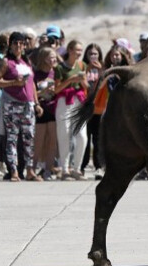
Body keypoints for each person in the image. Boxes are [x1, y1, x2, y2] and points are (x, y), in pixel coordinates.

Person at [0, 31, 42, 182]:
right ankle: (13, 170)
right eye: (16, 43)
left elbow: (32, 83)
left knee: (29, 138)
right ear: (10, 44)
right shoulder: (6, 62)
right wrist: (13, 83)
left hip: (28, 105)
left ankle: (29, 170)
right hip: (11, 103)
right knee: (12, 138)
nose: (19, 46)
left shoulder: (27, 62)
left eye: (21, 43)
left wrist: (37, 102)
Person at [54, 40, 88, 180]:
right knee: (64, 134)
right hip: (64, 101)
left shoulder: (82, 65)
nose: (79, 53)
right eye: (76, 50)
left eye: (80, 50)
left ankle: (77, 168)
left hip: (79, 101)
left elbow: (86, 86)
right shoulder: (60, 68)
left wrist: (81, 80)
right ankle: (64, 169)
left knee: (82, 136)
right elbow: (56, 90)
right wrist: (70, 80)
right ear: (69, 50)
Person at [32, 47, 59, 180]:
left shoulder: (56, 73)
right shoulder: (35, 74)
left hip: (53, 108)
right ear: (43, 58)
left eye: (54, 57)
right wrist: (42, 92)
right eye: (50, 57)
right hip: (40, 109)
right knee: (39, 141)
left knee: (52, 141)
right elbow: (31, 94)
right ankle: (32, 168)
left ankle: (48, 169)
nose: (53, 60)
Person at [82, 43, 104, 176]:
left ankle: (98, 166)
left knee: (98, 139)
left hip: (99, 108)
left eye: (95, 53)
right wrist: (88, 69)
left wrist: (101, 71)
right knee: (84, 139)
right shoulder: (83, 67)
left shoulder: (103, 68)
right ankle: (82, 166)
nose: (93, 56)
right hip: (85, 107)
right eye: (90, 54)